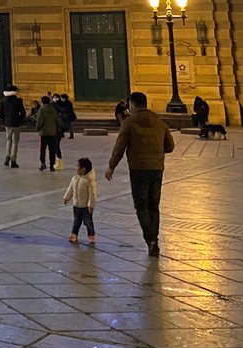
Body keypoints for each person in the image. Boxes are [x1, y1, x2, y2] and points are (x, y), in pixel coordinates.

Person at [106, 91, 175, 256]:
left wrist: (111, 166)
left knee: (141, 206)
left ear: (132, 105)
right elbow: (170, 146)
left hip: (138, 170)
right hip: (157, 169)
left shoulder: (129, 123)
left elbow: (119, 148)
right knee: (154, 206)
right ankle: (154, 240)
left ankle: (150, 240)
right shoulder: (159, 123)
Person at [63, 157, 98, 244]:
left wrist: (91, 205)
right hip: (76, 205)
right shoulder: (74, 178)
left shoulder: (89, 181)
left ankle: (91, 235)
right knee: (76, 221)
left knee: (88, 222)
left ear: (83, 169)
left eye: (78, 166)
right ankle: (73, 234)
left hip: (86, 207)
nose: (76, 167)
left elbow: (92, 194)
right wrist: (66, 197)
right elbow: (70, 189)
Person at [0, 85, 26, 168]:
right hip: (16, 123)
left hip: (7, 123)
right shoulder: (18, 101)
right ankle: (13, 160)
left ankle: (7, 156)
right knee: (15, 142)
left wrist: (3, 119)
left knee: (8, 140)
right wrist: (20, 119)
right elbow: (23, 112)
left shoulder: (3, 100)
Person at [36, 95, 61, 171]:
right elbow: (58, 121)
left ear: (42, 102)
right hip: (53, 132)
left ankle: (43, 163)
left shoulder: (42, 110)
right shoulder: (54, 110)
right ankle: (52, 165)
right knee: (52, 149)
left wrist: (37, 128)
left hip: (44, 132)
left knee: (43, 149)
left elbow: (39, 121)